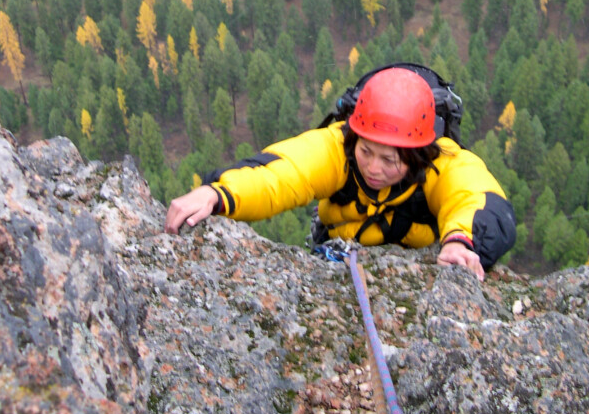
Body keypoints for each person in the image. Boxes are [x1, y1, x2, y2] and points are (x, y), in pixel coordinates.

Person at [165, 67, 516, 281]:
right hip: (338, 254)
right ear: (354, 137)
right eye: (366, 151)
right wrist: (217, 193)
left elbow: (476, 198)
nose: (374, 168)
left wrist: (460, 241)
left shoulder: (443, 161)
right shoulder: (338, 147)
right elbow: (282, 174)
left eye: (391, 160)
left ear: (419, 153)